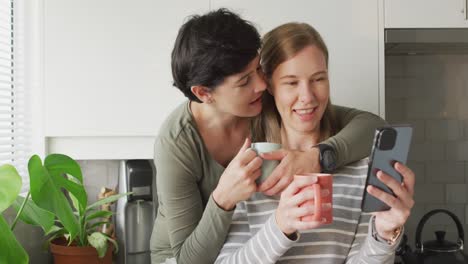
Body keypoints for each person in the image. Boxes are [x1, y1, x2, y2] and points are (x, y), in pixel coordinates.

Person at [150, 9, 388, 264]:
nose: (261, 86)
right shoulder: (176, 143)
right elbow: (189, 259)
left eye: (258, 71)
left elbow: (376, 128)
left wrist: (315, 158)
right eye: (244, 81)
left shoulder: (263, 101)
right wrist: (223, 199)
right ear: (204, 93)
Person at [215, 22, 415, 264]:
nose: (308, 97)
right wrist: (280, 227)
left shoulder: (362, 167)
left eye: (318, 79)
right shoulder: (249, 169)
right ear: (268, 86)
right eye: (291, 82)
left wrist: (383, 235)